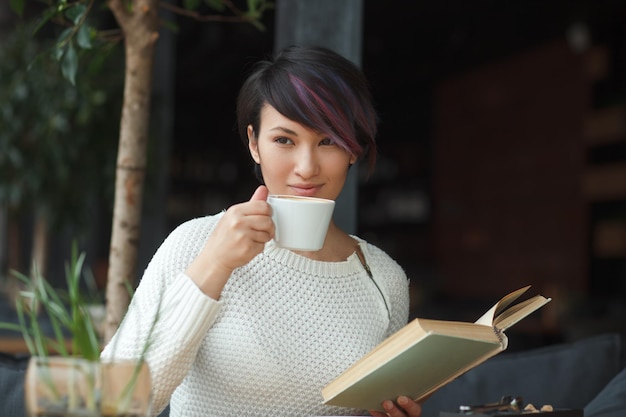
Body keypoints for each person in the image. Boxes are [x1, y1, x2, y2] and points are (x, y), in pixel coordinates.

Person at [101, 45, 422, 417]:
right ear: (254, 143)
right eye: (284, 140)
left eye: (328, 141)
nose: (306, 167)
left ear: (353, 149)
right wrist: (214, 265)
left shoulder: (384, 278)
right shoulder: (195, 244)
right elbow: (114, 401)